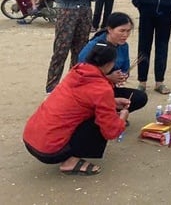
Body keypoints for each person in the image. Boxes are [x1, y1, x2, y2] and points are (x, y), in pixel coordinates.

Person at [24, 43, 130, 175]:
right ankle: (70, 162)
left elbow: (81, 99)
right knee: (100, 122)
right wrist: (122, 118)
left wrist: (111, 102)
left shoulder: (76, 72)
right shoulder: (102, 88)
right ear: (109, 64)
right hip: (50, 151)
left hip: (30, 139)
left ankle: (66, 152)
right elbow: (111, 131)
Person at [45, 0, 101, 93]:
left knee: (81, 52)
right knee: (60, 51)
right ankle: (51, 88)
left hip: (84, 14)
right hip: (67, 14)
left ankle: (74, 86)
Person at [78, 12, 148, 115]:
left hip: (109, 89)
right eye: (122, 31)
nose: (125, 35)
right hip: (91, 92)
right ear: (110, 29)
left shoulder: (123, 46)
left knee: (140, 97)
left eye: (128, 31)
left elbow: (125, 68)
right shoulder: (94, 46)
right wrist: (108, 77)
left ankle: (111, 114)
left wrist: (123, 76)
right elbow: (81, 76)